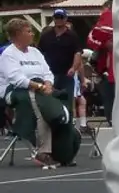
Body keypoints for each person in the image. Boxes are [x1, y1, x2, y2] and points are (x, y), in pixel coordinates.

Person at [4, 18, 77, 169]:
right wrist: (40, 87)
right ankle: (43, 151)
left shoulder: (35, 52)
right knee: (38, 103)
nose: (32, 34)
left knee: (59, 104)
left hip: (41, 89)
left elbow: (47, 72)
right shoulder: (8, 55)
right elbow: (17, 79)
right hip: (16, 91)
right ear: (18, 34)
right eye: (29, 31)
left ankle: (63, 151)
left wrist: (49, 84)